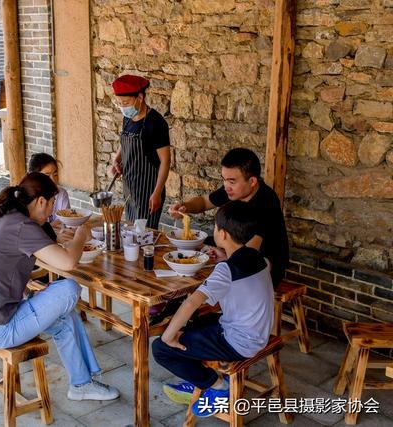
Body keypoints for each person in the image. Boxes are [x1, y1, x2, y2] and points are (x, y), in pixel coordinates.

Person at [0, 172, 119, 401]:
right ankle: (82, 383)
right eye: (52, 203)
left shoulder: (5, 216)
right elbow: (67, 262)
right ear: (41, 201)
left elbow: (2, 265)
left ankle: (81, 384)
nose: (53, 210)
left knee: (65, 315)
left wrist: (30, 290)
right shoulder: (21, 226)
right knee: (69, 289)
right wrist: (81, 235)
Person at [152, 201, 274, 417]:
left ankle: (217, 386)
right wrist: (226, 257)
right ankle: (198, 376)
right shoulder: (261, 258)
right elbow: (243, 277)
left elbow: (192, 302)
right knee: (190, 324)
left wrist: (169, 337)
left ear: (223, 234)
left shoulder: (226, 270)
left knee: (161, 348)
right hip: (257, 332)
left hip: (239, 342)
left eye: (216, 228)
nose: (214, 231)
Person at [168, 148, 288, 288]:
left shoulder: (266, 202)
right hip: (234, 253)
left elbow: (250, 254)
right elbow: (204, 202)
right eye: (224, 180)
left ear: (253, 181)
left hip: (263, 266)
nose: (226, 186)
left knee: (202, 274)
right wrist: (185, 207)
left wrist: (225, 258)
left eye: (231, 181)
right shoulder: (234, 190)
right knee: (187, 253)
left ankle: (199, 303)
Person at [110, 74, 170, 229]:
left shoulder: (155, 123)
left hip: (148, 190)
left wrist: (157, 193)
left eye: (126, 102)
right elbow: (125, 143)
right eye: (119, 103)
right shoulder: (128, 118)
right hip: (130, 187)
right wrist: (117, 160)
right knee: (131, 231)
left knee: (144, 235)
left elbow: (165, 161)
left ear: (140, 97)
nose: (123, 107)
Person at [28, 152, 70, 222]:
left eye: (55, 174)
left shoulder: (61, 193)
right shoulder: (28, 197)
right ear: (33, 176)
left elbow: (64, 222)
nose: (53, 180)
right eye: (47, 176)